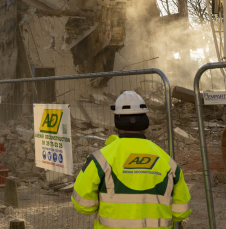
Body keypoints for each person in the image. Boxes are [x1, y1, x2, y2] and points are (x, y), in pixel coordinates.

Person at [72, 90, 191, 228]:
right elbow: (182, 212)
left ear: (117, 121)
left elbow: (83, 205)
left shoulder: (100, 160)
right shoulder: (168, 162)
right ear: (145, 121)